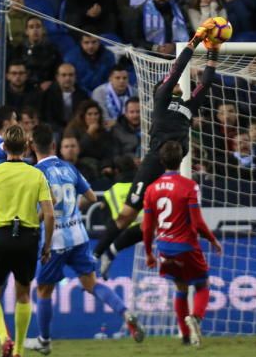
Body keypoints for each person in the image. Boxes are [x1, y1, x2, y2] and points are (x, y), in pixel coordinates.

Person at [93, 21, 220, 276]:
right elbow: (178, 67)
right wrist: (195, 40)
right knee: (128, 215)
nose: (172, 82)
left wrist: (214, 50)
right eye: (167, 82)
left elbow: (205, 82)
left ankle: (113, 252)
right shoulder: (161, 100)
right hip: (153, 162)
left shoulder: (189, 106)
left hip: (173, 169)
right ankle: (96, 254)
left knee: (160, 222)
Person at [29, 123, 144, 356]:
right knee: (91, 283)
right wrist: (72, 208)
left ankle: (44, 340)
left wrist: (37, 219)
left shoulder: (35, 174)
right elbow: (91, 197)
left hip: (55, 240)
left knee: (44, 291)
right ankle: (124, 312)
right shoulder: (69, 168)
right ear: (53, 145)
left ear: (32, 147)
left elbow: (46, 209)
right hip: (79, 236)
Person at [0, 124, 54, 357]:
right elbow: (49, 215)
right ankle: (18, 351)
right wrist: (46, 246)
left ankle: (3, 338)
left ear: (4, 147)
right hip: (28, 238)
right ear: (27, 147)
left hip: (0, 236)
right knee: (24, 294)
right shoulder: (36, 174)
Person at [141, 140, 222, 347]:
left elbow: (147, 226)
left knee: (180, 287)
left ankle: (186, 336)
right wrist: (212, 240)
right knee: (203, 284)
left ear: (161, 161)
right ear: (181, 159)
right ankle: (195, 318)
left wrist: (149, 252)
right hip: (186, 244)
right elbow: (198, 222)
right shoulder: (189, 186)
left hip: (165, 246)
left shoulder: (151, 189)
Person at [8, 17, 61, 91]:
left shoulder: (53, 50)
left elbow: (58, 71)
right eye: (31, 27)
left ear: (43, 30)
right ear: (26, 31)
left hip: (47, 88)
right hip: (25, 88)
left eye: (38, 26)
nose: (35, 30)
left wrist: (51, 83)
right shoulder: (19, 50)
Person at [36, 63, 90, 132]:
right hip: (55, 130)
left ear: (75, 77)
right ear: (57, 77)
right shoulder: (48, 94)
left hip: (77, 129)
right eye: (64, 75)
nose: (67, 78)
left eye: (71, 75)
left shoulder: (83, 95)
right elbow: (48, 118)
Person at [92, 65, 136, 129]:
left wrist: (117, 123)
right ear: (110, 79)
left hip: (130, 130)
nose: (121, 81)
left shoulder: (135, 93)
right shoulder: (99, 93)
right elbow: (104, 119)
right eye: (117, 78)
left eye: (124, 78)